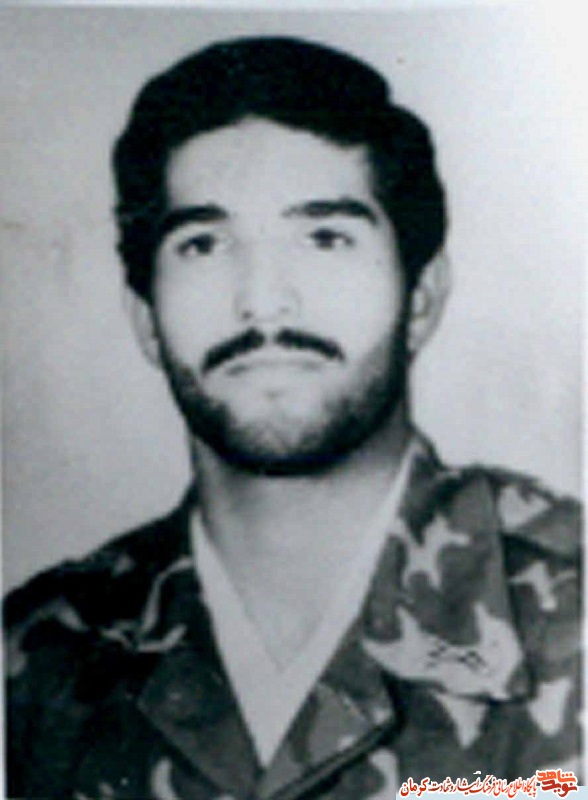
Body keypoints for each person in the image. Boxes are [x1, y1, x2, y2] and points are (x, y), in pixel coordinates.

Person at [4, 36, 581, 800]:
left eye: (325, 238)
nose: (264, 301)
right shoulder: (40, 660)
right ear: (145, 318)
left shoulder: (571, 615)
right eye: (203, 244)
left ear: (420, 298)